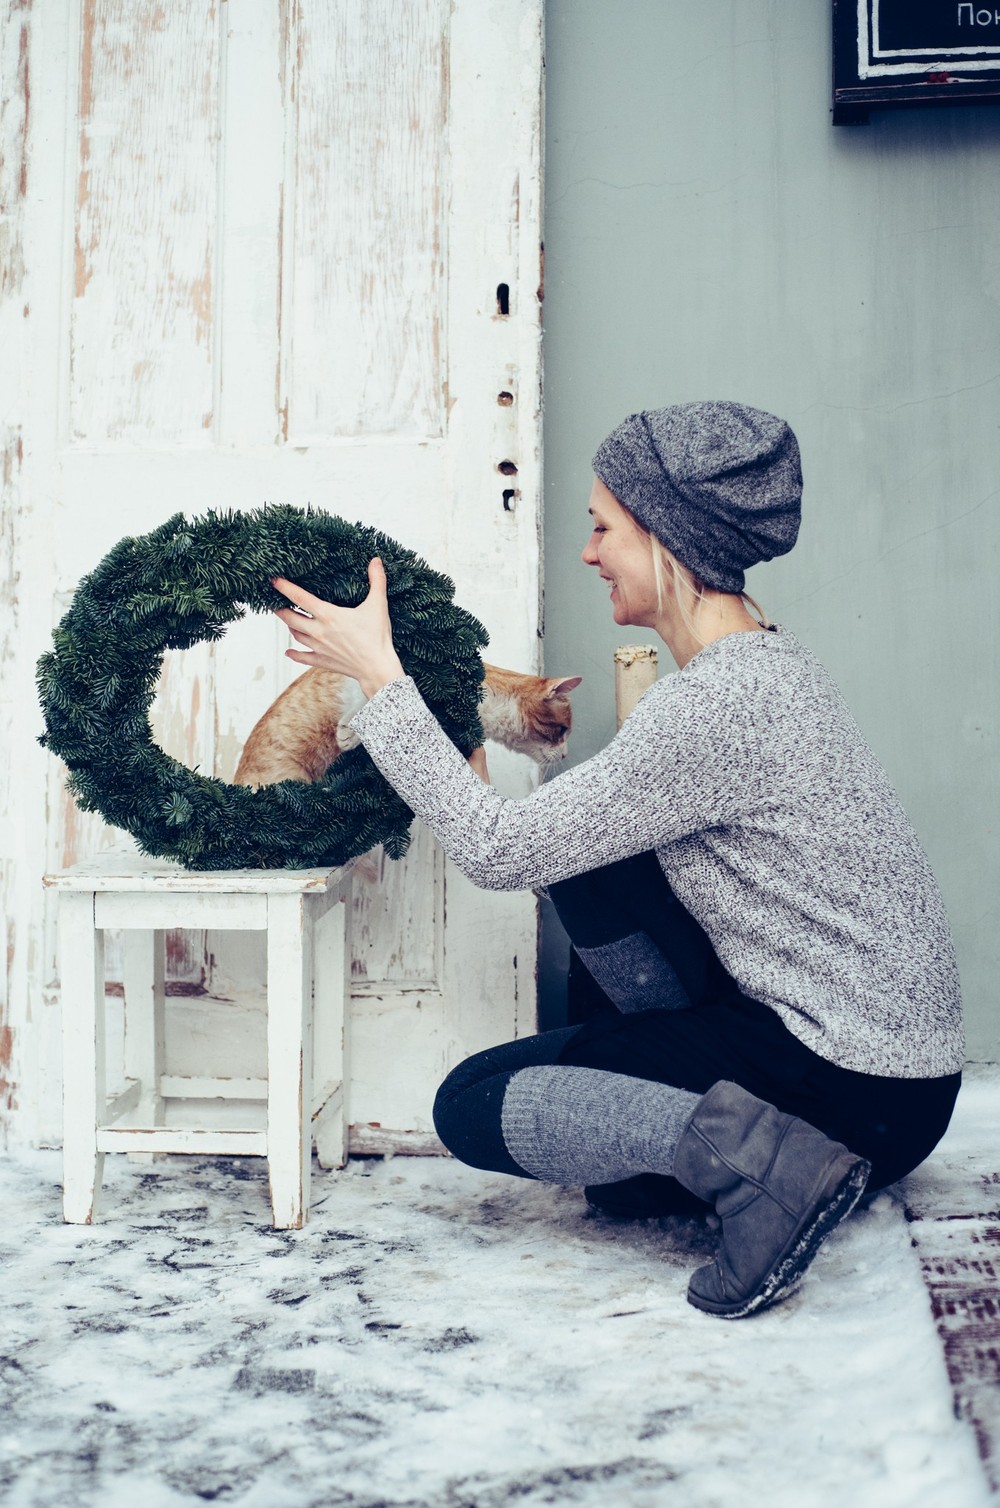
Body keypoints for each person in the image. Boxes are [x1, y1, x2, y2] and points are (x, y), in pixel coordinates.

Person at [273, 401, 964, 1321]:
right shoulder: (769, 669)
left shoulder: (711, 709)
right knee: (584, 850)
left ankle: (767, 1168)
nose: (591, 552)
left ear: (667, 541)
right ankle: (693, 1141)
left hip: (851, 1083)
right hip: (892, 1078)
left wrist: (378, 676)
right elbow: (546, 842)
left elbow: (492, 850)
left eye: (605, 528)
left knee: (473, 1102)